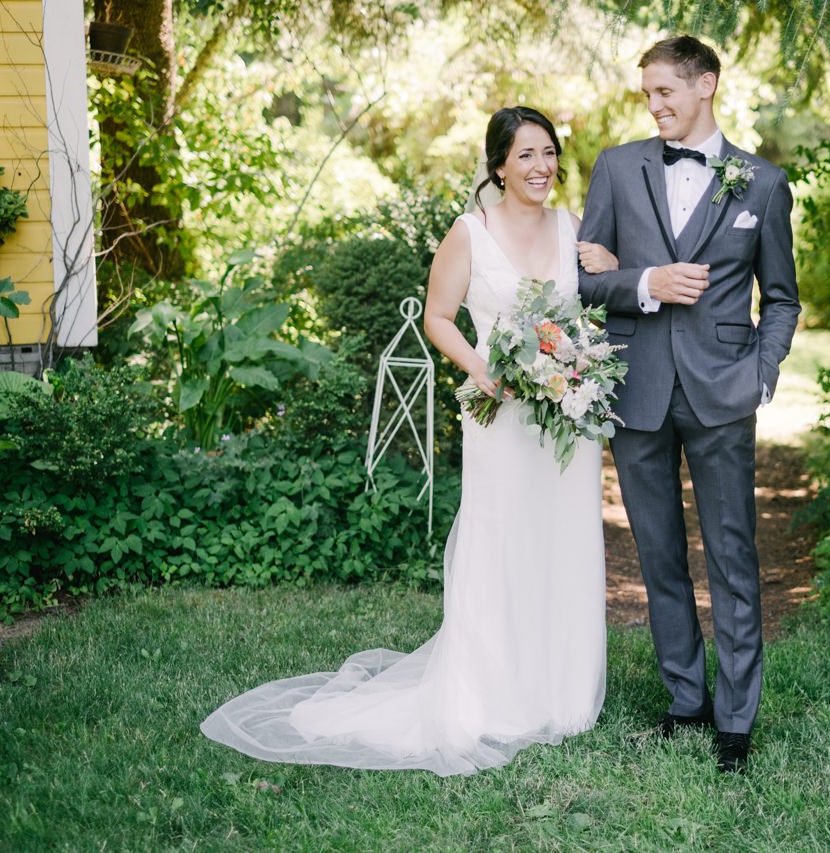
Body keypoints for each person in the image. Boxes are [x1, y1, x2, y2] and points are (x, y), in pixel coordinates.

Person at [200, 106, 618, 776]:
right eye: (527, 156)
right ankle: (491, 695)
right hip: (501, 418)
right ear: (499, 167)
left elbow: (591, 307)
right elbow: (439, 318)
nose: (542, 168)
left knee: (563, 542)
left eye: (549, 154)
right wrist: (485, 370)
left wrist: (605, 275)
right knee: (502, 544)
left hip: (565, 425)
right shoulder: (470, 234)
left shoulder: (574, 229)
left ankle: (563, 693)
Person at [576, 35, 801, 773]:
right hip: (635, 389)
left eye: (665, 92)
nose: (654, 106)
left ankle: (736, 720)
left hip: (722, 395)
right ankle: (684, 700)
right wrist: (644, 283)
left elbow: (783, 299)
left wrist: (760, 375)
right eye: (646, 95)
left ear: (705, 84)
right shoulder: (616, 167)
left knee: (732, 556)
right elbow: (582, 278)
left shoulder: (761, 184)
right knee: (659, 557)